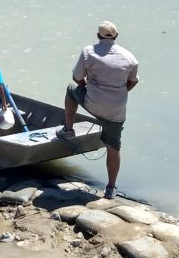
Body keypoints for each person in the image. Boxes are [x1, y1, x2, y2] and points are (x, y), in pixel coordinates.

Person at [56, 21, 139, 199]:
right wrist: (117, 93)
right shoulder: (130, 58)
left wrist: (87, 86)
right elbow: (133, 82)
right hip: (116, 110)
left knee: (71, 90)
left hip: (93, 102)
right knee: (114, 148)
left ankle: (68, 130)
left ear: (97, 36)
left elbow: (77, 78)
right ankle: (110, 189)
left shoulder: (88, 52)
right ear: (117, 36)